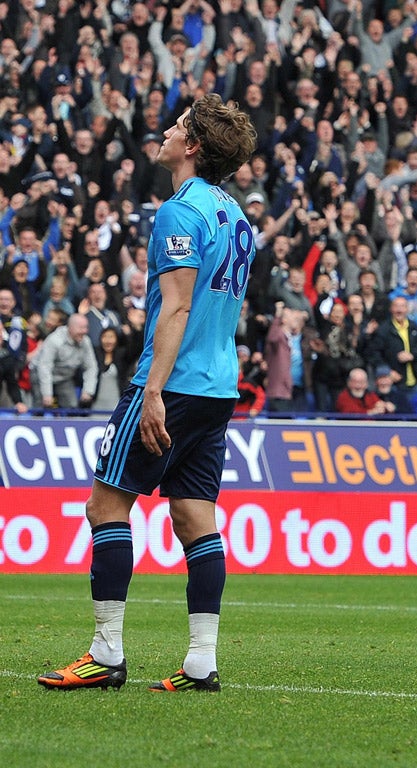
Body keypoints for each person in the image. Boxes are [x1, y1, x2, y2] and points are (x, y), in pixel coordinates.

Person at [38, 94, 257, 693]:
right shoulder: (237, 217)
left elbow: (178, 306)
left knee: (106, 505)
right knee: (193, 515)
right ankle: (201, 662)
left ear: (193, 148)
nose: (165, 130)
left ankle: (106, 653)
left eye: (179, 126)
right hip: (218, 386)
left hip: (174, 381)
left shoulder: (179, 212)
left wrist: (153, 389)